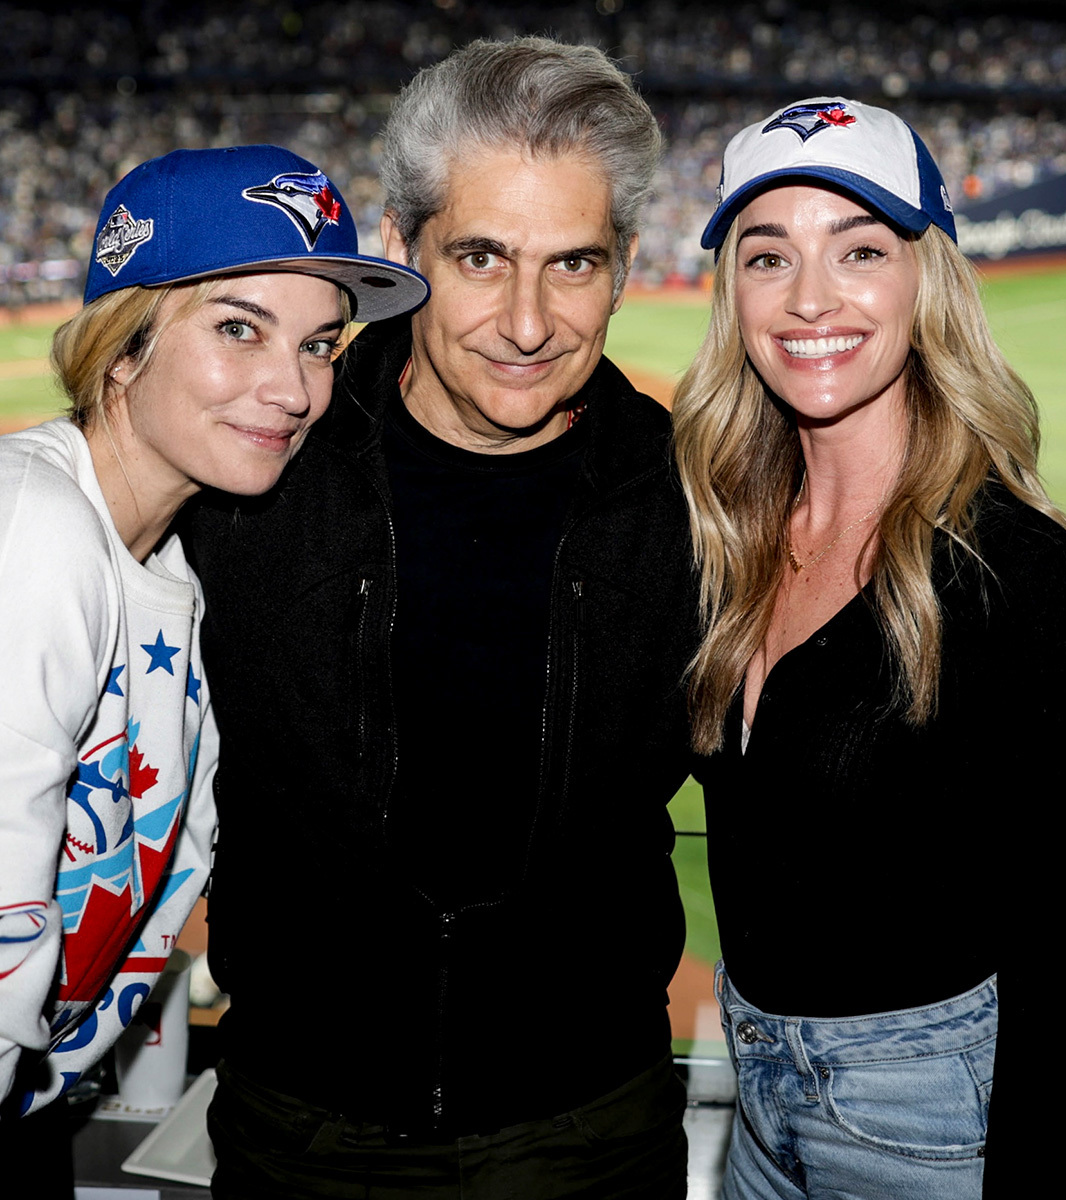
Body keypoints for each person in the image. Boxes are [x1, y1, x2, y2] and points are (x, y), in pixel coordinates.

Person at [183, 36, 697, 1200]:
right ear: (404, 248)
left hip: (592, 1135)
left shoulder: (696, 505)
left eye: (574, 264)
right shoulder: (255, 475)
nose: (528, 322)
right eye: (480, 256)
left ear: (624, 265)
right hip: (294, 1131)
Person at [0, 144, 426, 1200]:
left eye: (322, 343)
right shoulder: (30, 531)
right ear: (123, 346)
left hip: (9, 1120)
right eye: (239, 326)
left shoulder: (166, 569)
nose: (295, 388)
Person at [672, 97, 1066, 1199]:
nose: (811, 297)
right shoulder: (720, 533)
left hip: (942, 1123)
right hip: (757, 1106)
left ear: (929, 279)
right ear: (736, 295)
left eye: (861, 250)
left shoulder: (1017, 569)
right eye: (769, 257)